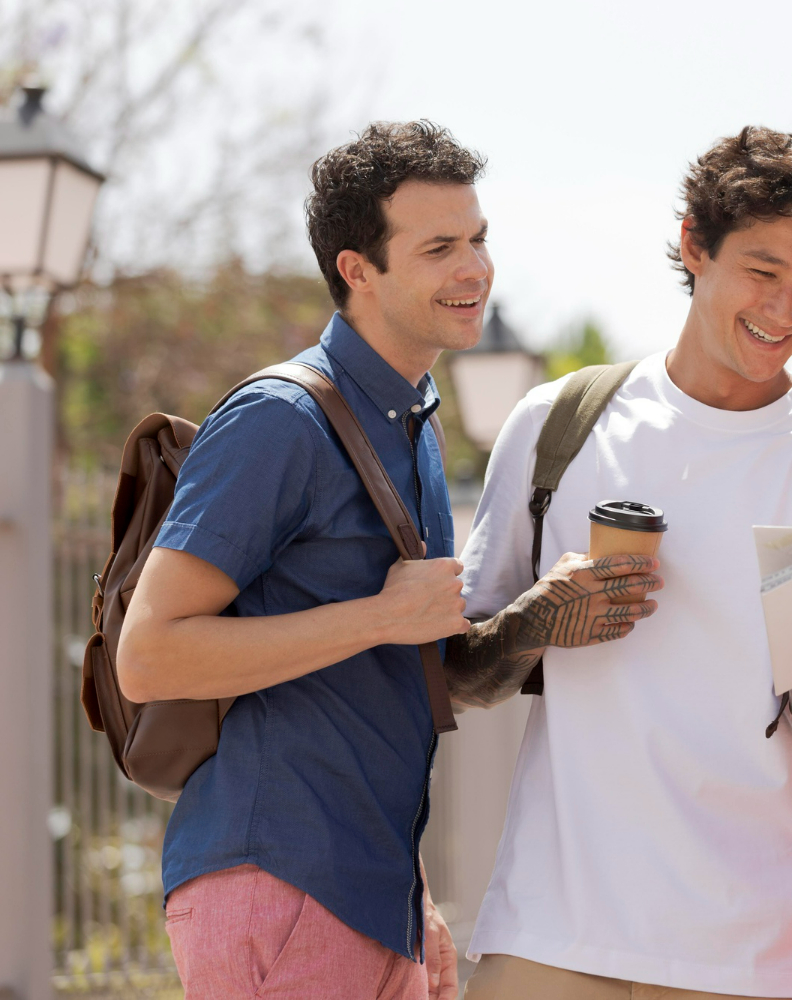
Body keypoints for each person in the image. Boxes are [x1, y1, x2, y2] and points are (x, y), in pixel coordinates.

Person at [447, 126, 792, 1000]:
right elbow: (458, 675)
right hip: (552, 932)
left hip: (757, 951)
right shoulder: (560, 424)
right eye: (763, 272)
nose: (788, 310)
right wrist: (538, 620)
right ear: (693, 244)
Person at [116, 121, 491, 1000]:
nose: (473, 268)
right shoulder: (282, 418)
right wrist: (382, 617)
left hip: (367, 897)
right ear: (357, 270)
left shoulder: (410, 421)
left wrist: (412, 898)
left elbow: (373, 706)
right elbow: (149, 654)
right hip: (278, 887)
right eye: (439, 247)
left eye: (477, 239)